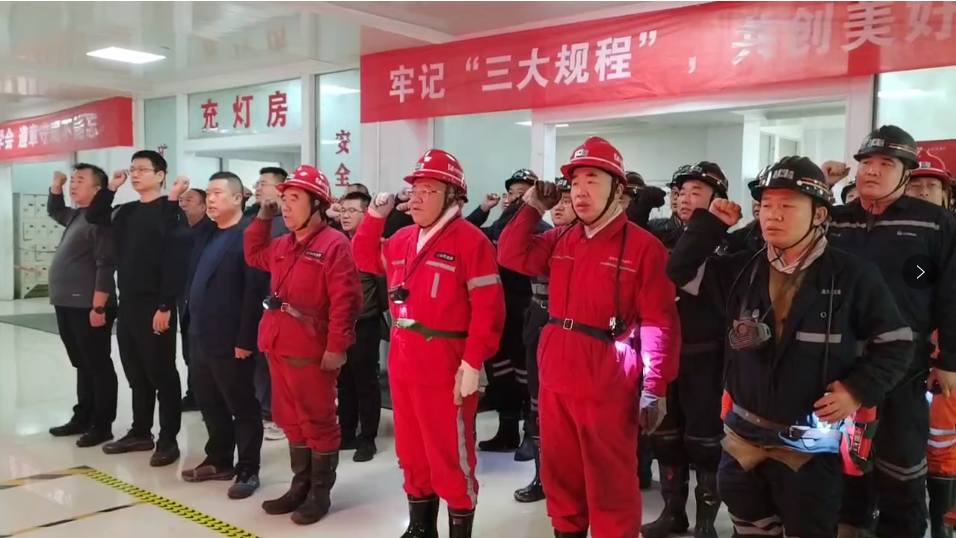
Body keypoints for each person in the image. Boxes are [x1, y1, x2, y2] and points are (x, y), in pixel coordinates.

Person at [666, 155, 913, 538]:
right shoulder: (741, 269)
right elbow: (679, 270)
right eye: (767, 205)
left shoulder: (853, 275)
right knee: (749, 527)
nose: (773, 216)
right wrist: (711, 224)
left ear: (819, 214)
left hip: (811, 451)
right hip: (743, 444)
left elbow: (896, 345)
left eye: (788, 206)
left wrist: (856, 391)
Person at [498, 136, 680, 538]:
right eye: (576, 182)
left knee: (610, 481)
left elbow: (660, 323)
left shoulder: (645, 248)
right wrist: (532, 207)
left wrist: (655, 388)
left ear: (618, 190)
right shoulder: (561, 238)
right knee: (560, 474)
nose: (580, 192)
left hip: (607, 381)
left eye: (592, 181)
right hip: (556, 375)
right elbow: (509, 254)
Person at [352, 149, 506, 538]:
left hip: (447, 363)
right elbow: (364, 257)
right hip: (404, 358)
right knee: (412, 450)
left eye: (429, 190)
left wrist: (472, 362)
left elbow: (489, 310)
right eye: (415, 189)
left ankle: (459, 529)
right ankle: (421, 527)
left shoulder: (472, 242)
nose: (417, 198)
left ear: (453, 196)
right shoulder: (403, 238)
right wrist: (374, 217)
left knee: (449, 453)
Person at [823, 126, 956, 538]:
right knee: (841, 459)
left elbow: (952, 294)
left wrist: (950, 359)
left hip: (905, 364)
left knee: (901, 464)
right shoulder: (835, 221)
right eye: (866, 162)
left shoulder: (935, 223)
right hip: (837, 361)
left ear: (906, 174)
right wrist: (822, 188)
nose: (872, 171)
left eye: (886, 164)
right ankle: (849, 527)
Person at [244, 165, 362, 525]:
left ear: (318, 205)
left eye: (294, 199)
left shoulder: (334, 244)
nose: (286, 206)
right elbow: (253, 254)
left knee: (317, 422)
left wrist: (337, 346)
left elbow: (346, 301)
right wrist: (263, 217)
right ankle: (300, 485)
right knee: (289, 420)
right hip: (278, 344)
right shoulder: (283, 244)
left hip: (312, 350)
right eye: (284, 199)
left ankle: (319, 494)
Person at [85, 150, 190, 467]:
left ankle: (168, 439)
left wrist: (165, 304)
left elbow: (174, 257)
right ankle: (140, 432)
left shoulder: (171, 210)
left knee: (162, 373)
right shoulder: (127, 211)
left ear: (160, 175)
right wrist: (111, 187)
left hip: (156, 303)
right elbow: (95, 216)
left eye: (142, 169)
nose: (135, 174)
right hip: (128, 301)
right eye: (132, 169)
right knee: (136, 372)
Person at [643, 161, 730, 538]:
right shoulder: (659, 236)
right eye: (681, 192)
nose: (684, 199)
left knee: (706, 440)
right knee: (665, 436)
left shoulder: (729, 245)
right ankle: (672, 512)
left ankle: (705, 522)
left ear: (718, 200)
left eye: (697, 192)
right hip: (662, 353)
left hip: (706, 356)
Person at [179, 172, 266, 500]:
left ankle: (248, 468)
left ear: (238, 198)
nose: (210, 199)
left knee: (241, 405)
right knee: (209, 402)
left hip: (231, 339)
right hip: (199, 333)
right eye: (208, 193)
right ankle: (219, 459)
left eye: (217, 193)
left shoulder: (249, 236)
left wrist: (245, 340)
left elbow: (254, 293)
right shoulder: (208, 232)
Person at [468, 169, 548, 456]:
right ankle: (507, 429)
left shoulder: (541, 229)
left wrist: (521, 211)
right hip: (499, 313)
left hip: (526, 313)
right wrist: (483, 210)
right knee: (501, 375)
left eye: (521, 193)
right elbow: (467, 234)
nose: (512, 198)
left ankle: (531, 435)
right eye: (510, 193)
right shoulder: (497, 226)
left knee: (527, 378)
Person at [903, 149, 956, 538]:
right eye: (915, 184)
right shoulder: (890, 236)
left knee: (942, 437)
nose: (923, 192)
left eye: (931, 186)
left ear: (945, 195)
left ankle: (941, 524)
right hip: (898, 356)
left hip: (945, 356)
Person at [46, 164, 118, 448]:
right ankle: (83, 416)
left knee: (98, 365)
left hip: (89, 305)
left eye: (80, 181)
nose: (73, 185)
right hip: (67, 303)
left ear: (98, 189)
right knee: (82, 364)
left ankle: (102, 425)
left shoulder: (100, 221)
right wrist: (56, 185)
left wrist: (98, 307)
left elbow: (105, 264)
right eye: (72, 180)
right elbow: (55, 211)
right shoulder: (78, 215)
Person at [514, 177, 575, 505]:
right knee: (537, 408)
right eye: (557, 202)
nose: (560, 207)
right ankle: (542, 476)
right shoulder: (543, 238)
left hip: (571, 332)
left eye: (567, 201)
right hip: (538, 326)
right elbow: (507, 247)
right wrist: (531, 205)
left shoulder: (583, 243)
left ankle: (569, 481)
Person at [336, 191, 387, 463]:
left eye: (352, 211)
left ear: (366, 214)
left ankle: (368, 438)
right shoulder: (337, 242)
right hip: (339, 323)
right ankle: (346, 432)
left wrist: (375, 311)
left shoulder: (373, 246)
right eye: (343, 210)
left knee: (365, 381)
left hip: (364, 323)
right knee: (343, 379)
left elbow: (383, 288)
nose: (345, 215)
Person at [245, 166, 290, 441]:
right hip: (255, 300)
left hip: (280, 304)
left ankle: (277, 415)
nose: (257, 188)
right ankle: (265, 410)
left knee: (276, 363)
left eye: (263, 183)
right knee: (259, 360)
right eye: (257, 183)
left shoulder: (286, 224)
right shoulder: (255, 219)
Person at [178, 187, 209, 412]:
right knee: (189, 350)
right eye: (181, 199)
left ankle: (204, 396)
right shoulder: (180, 230)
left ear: (203, 206)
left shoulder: (209, 231)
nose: (183, 203)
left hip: (203, 301)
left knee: (201, 351)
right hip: (184, 298)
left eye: (189, 199)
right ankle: (194, 394)